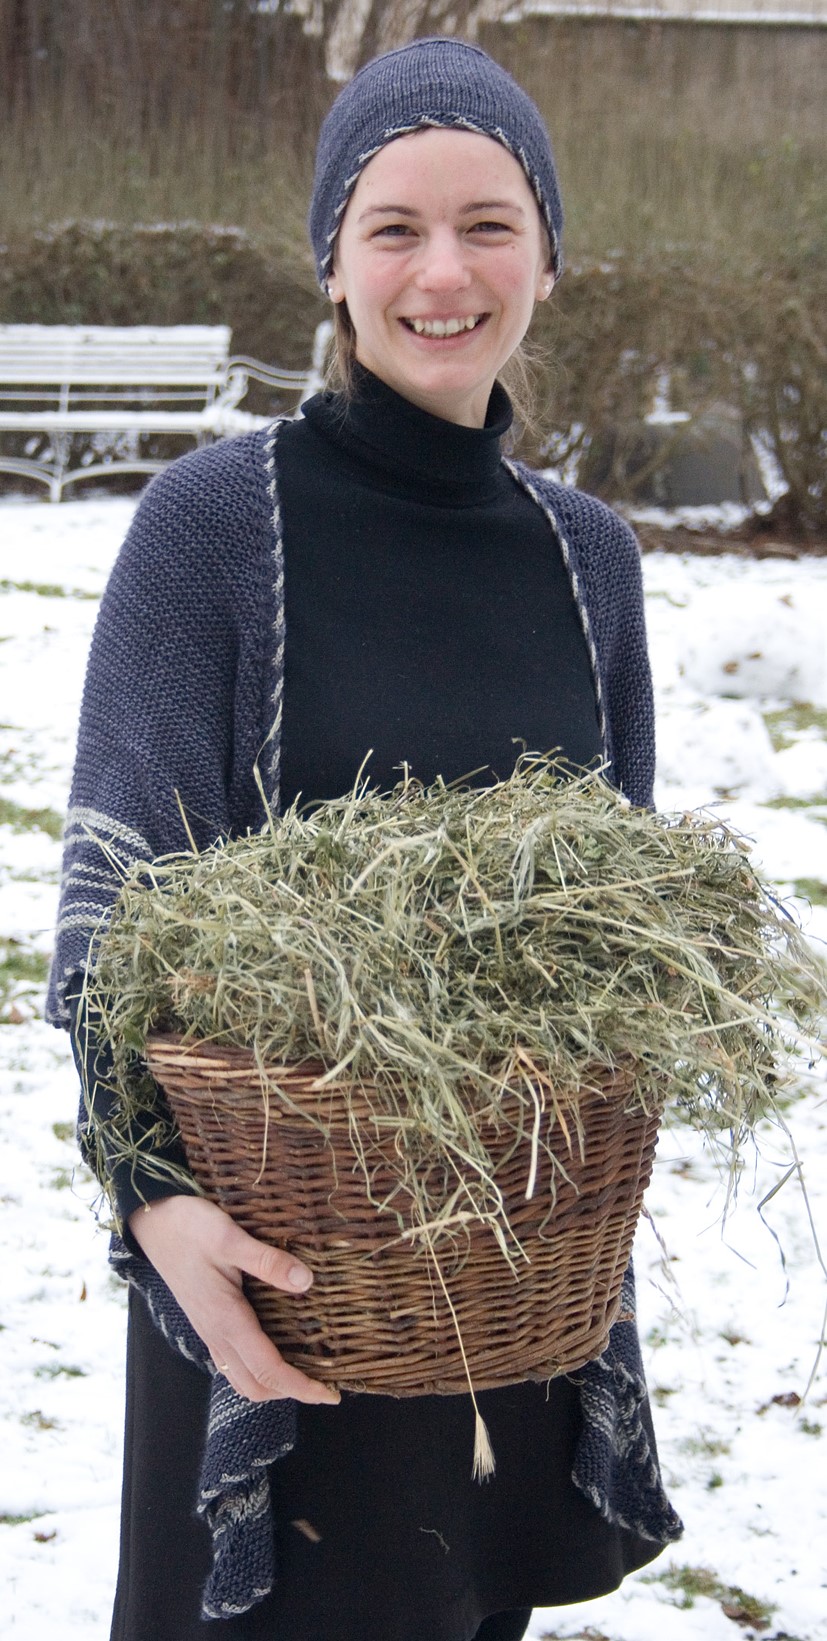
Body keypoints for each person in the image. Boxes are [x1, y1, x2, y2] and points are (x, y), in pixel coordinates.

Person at [48, 36, 682, 1641]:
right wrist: (150, 1199)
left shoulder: (587, 557)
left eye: (489, 221)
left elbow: (627, 929)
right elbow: (112, 912)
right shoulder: (212, 529)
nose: (443, 270)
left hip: (510, 1292)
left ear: (550, 251)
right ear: (330, 259)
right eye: (392, 225)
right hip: (273, 1294)